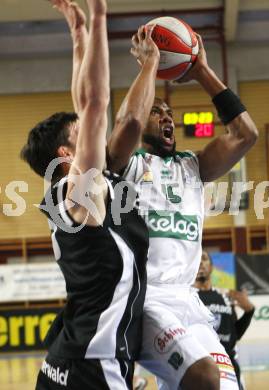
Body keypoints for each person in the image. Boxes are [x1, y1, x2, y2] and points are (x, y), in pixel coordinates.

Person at [56, 1, 259, 389]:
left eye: (170, 113)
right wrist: (150, 62)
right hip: (145, 299)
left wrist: (200, 69)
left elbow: (245, 135)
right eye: (158, 111)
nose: (167, 117)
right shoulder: (122, 164)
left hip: (188, 302)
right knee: (203, 378)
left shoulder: (193, 166)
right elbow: (129, 120)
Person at [21, 1, 149, 389]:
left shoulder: (78, 189)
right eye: (81, 133)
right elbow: (93, 103)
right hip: (92, 365)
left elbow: (87, 104)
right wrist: (99, 17)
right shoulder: (76, 191)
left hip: (70, 360)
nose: (95, 130)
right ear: (65, 155)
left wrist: (79, 38)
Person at [194, 250, 255, 390]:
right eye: (196, 259)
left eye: (204, 259)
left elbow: (234, 335)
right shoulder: (186, 298)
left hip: (229, 367)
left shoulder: (226, 296)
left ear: (211, 266)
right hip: (200, 367)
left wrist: (249, 312)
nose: (200, 263)